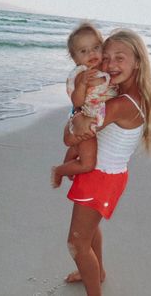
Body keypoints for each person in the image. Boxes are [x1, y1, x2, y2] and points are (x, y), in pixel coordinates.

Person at [51, 29, 151, 296]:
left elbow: (71, 137)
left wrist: (75, 116)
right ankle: (96, 271)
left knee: (77, 244)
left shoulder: (120, 104)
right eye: (107, 56)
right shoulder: (120, 95)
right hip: (105, 174)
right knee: (89, 230)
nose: (111, 64)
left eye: (120, 58)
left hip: (100, 178)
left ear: (137, 61)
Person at [51, 22, 118, 188]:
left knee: (76, 149)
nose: (91, 53)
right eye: (83, 51)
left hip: (97, 119)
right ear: (75, 58)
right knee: (87, 164)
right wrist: (81, 86)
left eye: (96, 47)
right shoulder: (82, 75)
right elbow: (77, 102)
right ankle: (59, 170)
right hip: (86, 119)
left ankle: (68, 164)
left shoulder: (104, 68)